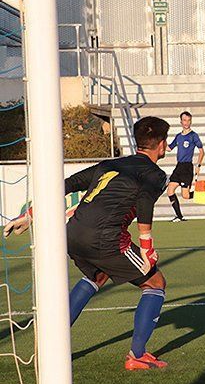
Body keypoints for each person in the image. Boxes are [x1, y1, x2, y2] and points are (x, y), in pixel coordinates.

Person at [5, 117, 172, 369]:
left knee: (97, 276)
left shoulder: (110, 164)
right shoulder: (155, 174)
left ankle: (50, 349)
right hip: (105, 238)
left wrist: (30, 215)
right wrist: (146, 248)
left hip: (72, 234)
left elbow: (66, 185)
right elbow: (145, 204)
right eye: (166, 143)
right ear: (161, 144)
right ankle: (137, 355)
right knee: (155, 283)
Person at [167, 111, 204, 222]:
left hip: (187, 167)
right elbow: (169, 148)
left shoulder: (193, 136)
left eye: (188, 120)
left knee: (186, 196)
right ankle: (179, 216)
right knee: (170, 191)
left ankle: (203, 194)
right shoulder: (178, 136)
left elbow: (201, 151)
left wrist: (198, 165)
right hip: (178, 167)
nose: (186, 122)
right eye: (184, 120)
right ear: (181, 122)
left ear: (190, 121)